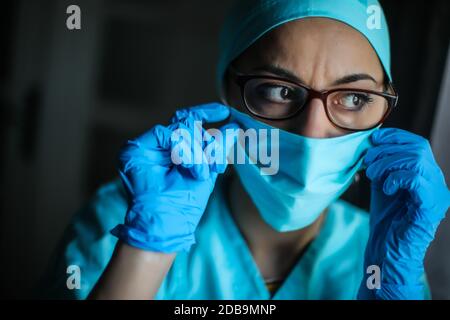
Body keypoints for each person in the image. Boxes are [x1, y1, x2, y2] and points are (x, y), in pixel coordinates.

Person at [39, 0, 449, 300]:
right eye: (277, 90)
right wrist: (146, 251)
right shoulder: (124, 222)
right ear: (226, 92)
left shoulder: (386, 255)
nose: (312, 131)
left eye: (354, 98)